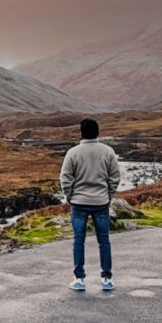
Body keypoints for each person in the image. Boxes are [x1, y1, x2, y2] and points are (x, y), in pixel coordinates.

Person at [59, 118, 121, 293]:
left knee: (79, 241)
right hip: (101, 202)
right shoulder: (108, 152)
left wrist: (69, 196)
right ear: (98, 132)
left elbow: (65, 178)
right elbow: (115, 177)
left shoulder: (73, 153)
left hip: (78, 203)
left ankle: (79, 279)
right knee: (104, 241)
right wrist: (108, 195)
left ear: (81, 132)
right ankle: (107, 278)